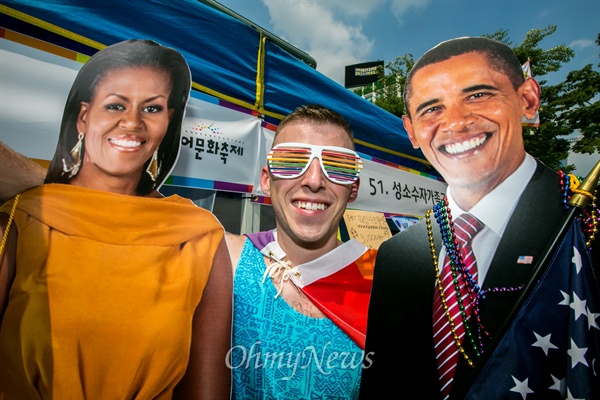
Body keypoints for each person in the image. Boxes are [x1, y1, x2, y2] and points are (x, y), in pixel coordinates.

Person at [359, 37, 599, 399]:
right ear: (410, 131)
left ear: (527, 99)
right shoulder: (397, 255)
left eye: (477, 95)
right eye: (431, 109)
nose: (455, 123)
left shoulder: (584, 230)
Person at [0, 39, 232, 399]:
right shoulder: (25, 216)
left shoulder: (199, 235)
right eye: (115, 105)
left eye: (152, 109)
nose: (132, 122)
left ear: (170, 122)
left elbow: (206, 389)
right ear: (83, 117)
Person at [225, 104, 376, 399]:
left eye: (338, 167)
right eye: (292, 162)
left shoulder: (384, 280)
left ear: (353, 188)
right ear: (267, 181)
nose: (314, 181)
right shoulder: (225, 262)